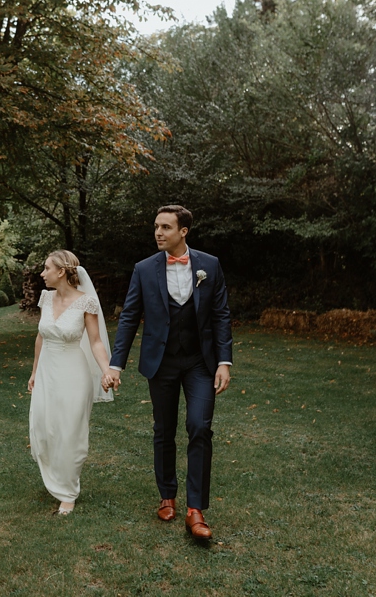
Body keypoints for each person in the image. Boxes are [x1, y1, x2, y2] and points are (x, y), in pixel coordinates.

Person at [106, 205, 232, 539]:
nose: (158, 233)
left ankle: (195, 509)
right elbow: (129, 316)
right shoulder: (144, 269)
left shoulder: (210, 265)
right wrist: (116, 364)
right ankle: (167, 495)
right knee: (164, 429)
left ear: (183, 231)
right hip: (160, 362)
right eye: (156, 226)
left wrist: (224, 361)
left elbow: (220, 314)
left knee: (199, 426)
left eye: (165, 227)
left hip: (199, 362)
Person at [28, 250, 116, 515]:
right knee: (43, 428)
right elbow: (41, 337)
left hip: (73, 374)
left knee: (70, 431)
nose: (42, 273)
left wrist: (106, 371)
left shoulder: (86, 302)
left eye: (47, 268)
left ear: (61, 271)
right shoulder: (46, 298)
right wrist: (34, 372)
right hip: (47, 372)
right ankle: (55, 476)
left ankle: (67, 492)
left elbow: (96, 342)